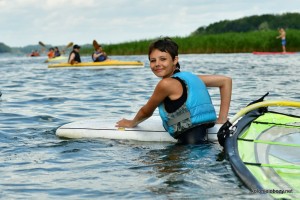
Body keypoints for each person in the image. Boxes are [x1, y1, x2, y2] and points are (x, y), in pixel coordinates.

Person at [116, 37, 232, 145]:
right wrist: (222, 118)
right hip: (203, 143)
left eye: (163, 59)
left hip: (187, 150)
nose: (157, 64)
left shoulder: (165, 84)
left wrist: (131, 123)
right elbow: (225, 81)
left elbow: (146, 112)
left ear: (175, 59)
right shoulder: (191, 79)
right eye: (152, 60)